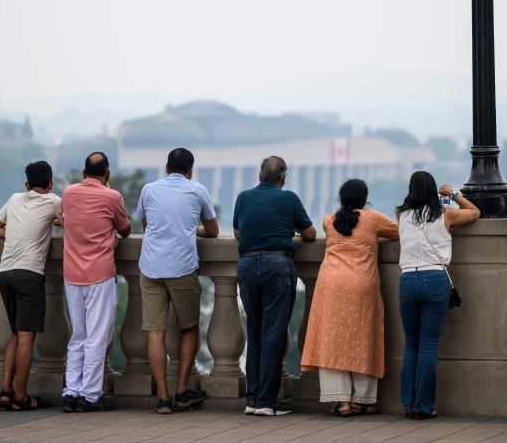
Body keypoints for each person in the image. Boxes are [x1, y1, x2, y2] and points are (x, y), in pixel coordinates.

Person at [300, 179, 398, 417]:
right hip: (362, 283)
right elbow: (398, 231)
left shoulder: (328, 221)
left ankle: (341, 402)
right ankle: (361, 401)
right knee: (363, 337)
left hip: (331, 283)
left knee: (332, 339)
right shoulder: (373, 218)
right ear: (364, 199)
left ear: (341, 198)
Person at [136, 147, 220, 414]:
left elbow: (147, 225)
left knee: (155, 332)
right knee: (189, 327)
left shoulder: (148, 189)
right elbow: (213, 231)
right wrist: (189, 228)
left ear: (166, 167)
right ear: (190, 170)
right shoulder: (197, 190)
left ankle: (163, 398)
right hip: (182, 267)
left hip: (150, 267)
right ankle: (182, 391)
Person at [233, 155, 316, 416]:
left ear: (259, 176)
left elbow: (237, 233)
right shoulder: (288, 198)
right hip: (278, 266)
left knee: (255, 333)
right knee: (273, 333)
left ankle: (253, 398)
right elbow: (310, 234)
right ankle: (268, 402)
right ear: (283, 178)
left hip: (247, 266)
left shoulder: (243, 197)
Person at [396, 171, 480, 420]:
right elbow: (475, 212)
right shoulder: (446, 214)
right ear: (433, 190)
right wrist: (453, 194)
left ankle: (409, 405)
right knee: (428, 345)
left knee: (411, 344)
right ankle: (423, 406)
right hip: (435, 279)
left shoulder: (401, 214)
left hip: (407, 279)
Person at [60, 152, 132, 413]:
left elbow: (67, 221)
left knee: (78, 335)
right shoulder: (112, 196)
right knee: (97, 336)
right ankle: (90, 395)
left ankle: (71, 391)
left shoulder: (68, 193)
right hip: (100, 274)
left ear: (83, 173)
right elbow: (125, 229)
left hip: (72, 274)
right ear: (107, 174)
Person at [0, 160, 61, 411]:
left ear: (27, 184)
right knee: (27, 335)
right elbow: (70, 222)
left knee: (16, 334)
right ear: (50, 184)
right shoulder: (54, 202)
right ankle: (21, 396)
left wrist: (15, 234)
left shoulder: (15, 198)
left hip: (5, 272)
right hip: (29, 273)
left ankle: (6, 392)